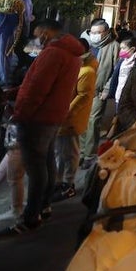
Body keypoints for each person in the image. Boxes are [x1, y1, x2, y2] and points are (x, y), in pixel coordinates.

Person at [0, 19, 83, 239]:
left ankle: (31, 217)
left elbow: (36, 88)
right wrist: (15, 91)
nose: (36, 38)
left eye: (37, 33)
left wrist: (19, 114)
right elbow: (37, 84)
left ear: (45, 32)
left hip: (37, 118)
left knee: (36, 168)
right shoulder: (70, 53)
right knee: (46, 163)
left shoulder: (53, 53)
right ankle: (44, 207)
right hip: (53, 115)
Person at [50, 37, 97, 202]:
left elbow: (83, 96)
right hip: (62, 115)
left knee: (70, 152)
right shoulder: (74, 65)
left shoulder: (86, 71)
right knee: (59, 152)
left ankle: (68, 185)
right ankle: (58, 181)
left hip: (71, 119)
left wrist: (66, 112)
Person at [80, 19, 120, 162]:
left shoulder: (114, 46)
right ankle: (81, 152)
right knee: (81, 121)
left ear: (107, 32)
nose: (95, 35)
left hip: (98, 91)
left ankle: (89, 155)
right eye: (93, 32)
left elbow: (115, 70)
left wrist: (107, 89)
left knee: (93, 122)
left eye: (98, 32)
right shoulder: (86, 43)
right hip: (82, 89)